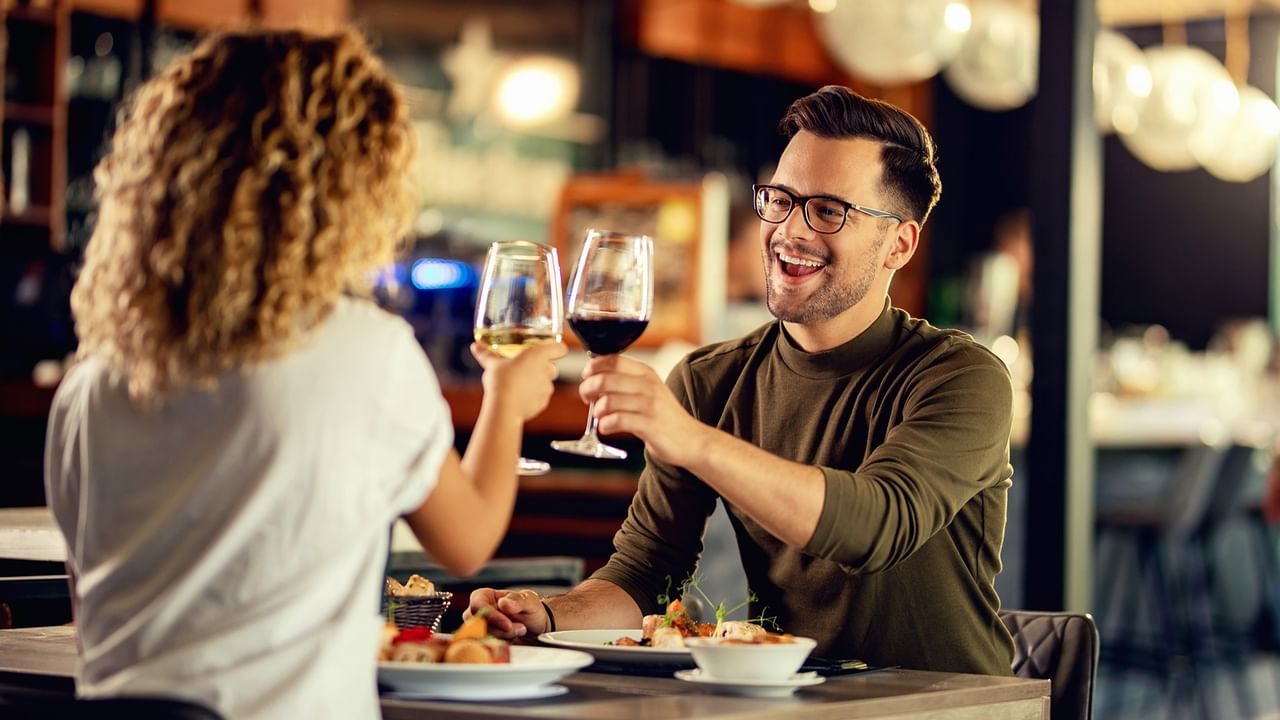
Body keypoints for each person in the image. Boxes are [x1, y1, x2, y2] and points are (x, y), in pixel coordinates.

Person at [43, 27, 565, 719]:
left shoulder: (93, 378)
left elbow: (96, 605)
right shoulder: (363, 350)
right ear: (348, 191)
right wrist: (506, 398)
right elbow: (466, 541)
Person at [468, 85, 1015, 675]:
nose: (790, 231)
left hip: (949, 707)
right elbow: (645, 575)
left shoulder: (962, 377)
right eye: (780, 199)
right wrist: (546, 616)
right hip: (785, 701)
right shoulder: (713, 379)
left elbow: (877, 526)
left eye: (829, 211)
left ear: (898, 244)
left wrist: (689, 439)